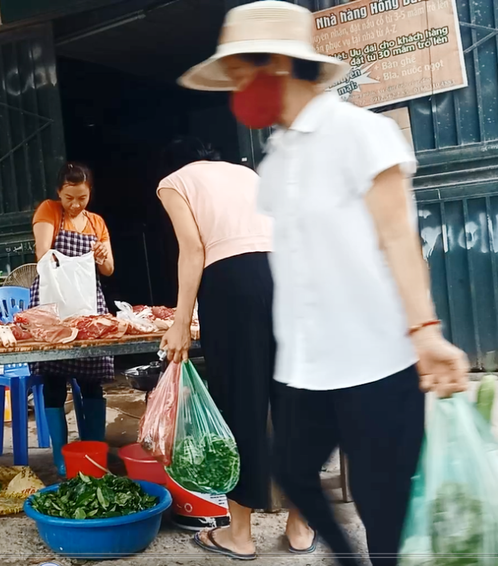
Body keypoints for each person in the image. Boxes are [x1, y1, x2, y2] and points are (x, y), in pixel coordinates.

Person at [179, 3, 469, 565]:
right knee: (292, 471)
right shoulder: (277, 158)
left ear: (278, 65)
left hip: (376, 359)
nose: (236, 89)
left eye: (240, 72)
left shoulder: (361, 133)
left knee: (381, 509)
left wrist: (425, 330)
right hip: (306, 367)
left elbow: (398, 238)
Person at [157, 136, 313, 559]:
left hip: (232, 284)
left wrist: (180, 323)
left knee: (241, 404)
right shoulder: (247, 174)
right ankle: (300, 526)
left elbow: (193, 250)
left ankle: (239, 535)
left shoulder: (173, 182)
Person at [30, 162, 114, 474]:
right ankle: (61, 458)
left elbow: (109, 269)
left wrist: (102, 256)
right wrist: (77, 260)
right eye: (69, 197)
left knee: (92, 380)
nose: (75, 204)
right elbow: (43, 255)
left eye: (82, 197)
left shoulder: (97, 223)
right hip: (54, 304)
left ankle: (93, 454)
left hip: (88, 306)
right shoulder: (49, 210)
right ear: (58, 193)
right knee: (54, 381)